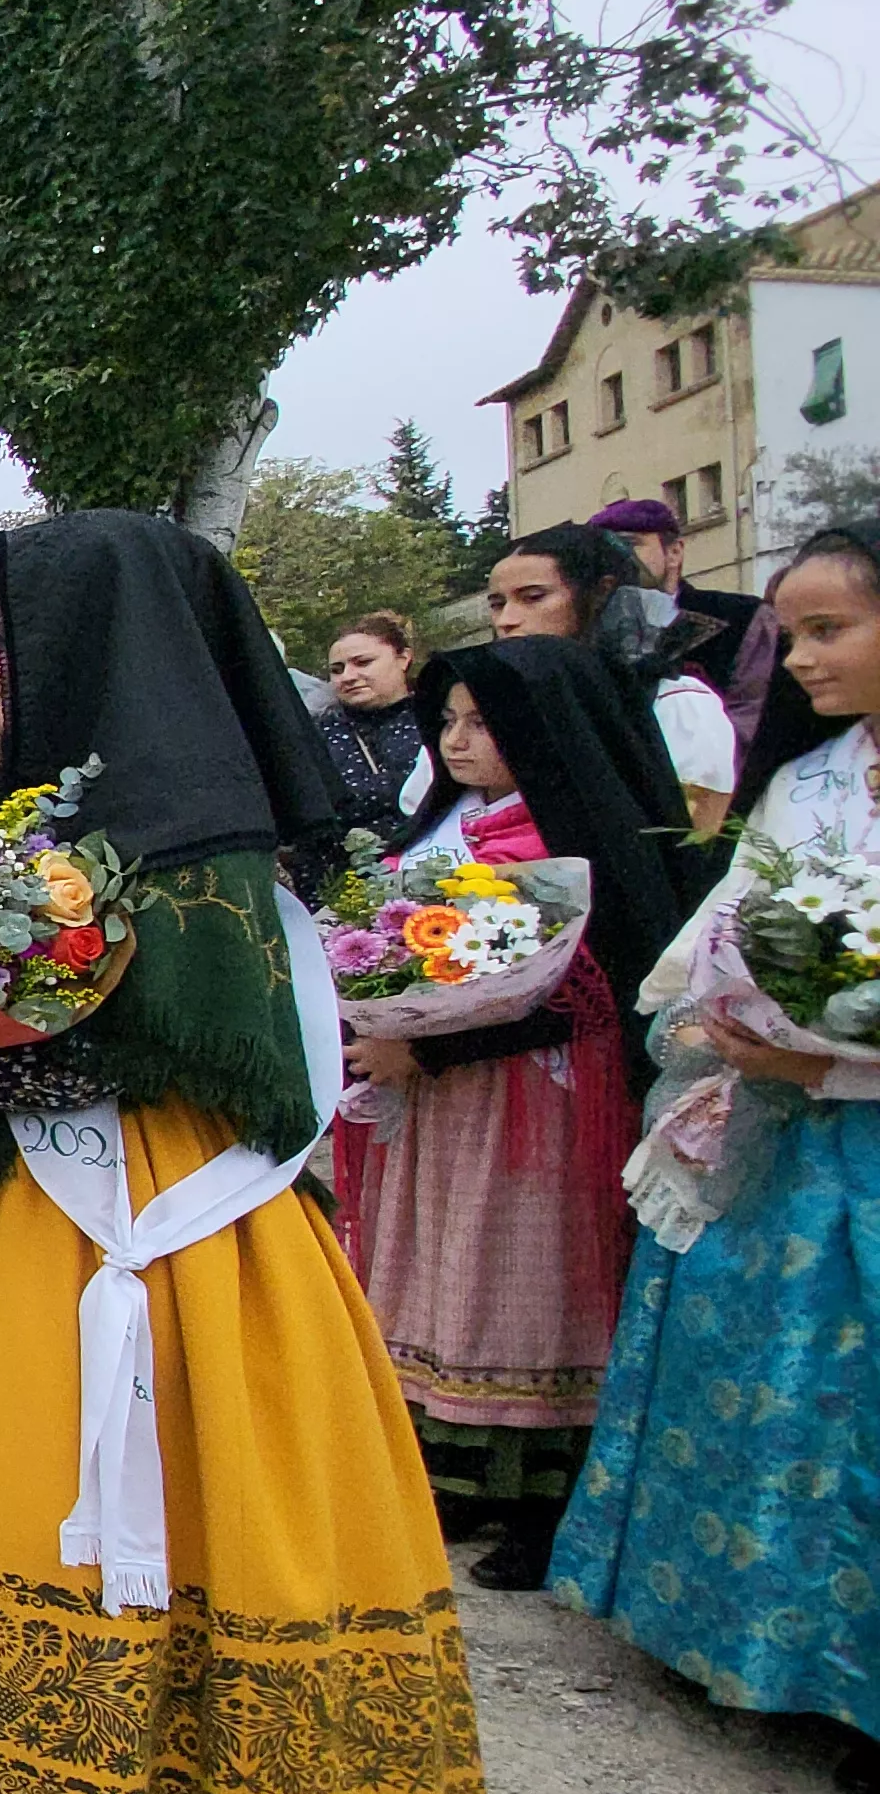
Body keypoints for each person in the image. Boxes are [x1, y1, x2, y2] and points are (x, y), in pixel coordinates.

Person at [0, 510, 494, 1794]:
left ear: (90, 647)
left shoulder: (194, 844)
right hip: (62, 1217)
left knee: (160, 1494)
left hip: (161, 1231)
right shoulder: (50, 829)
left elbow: (177, 1048)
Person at [550, 523, 880, 1794]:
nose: (798, 660)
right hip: (783, 1129)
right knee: (755, 1368)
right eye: (788, 635)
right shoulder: (805, 781)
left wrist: (843, 1059)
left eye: (829, 630)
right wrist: (731, 1018)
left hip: (844, 1119)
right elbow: (732, 919)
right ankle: (736, 1633)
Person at [333, 639, 682, 1591]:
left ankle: (546, 1494)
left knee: (529, 1281)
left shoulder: (576, 835)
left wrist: (434, 1043)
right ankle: (465, 1469)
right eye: (446, 720)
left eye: (481, 722)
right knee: (448, 1271)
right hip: (440, 1096)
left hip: (538, 1096)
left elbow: (599, 988)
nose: (456, 740)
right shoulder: (448, 833)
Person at [485, 520, 740, 835]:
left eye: (533, 597)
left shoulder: (674, 705)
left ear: (600, 593)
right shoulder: (484, 705)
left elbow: (694, 841)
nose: (507, 621)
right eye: (498, 605)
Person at [590, 493, 781, 747]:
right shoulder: (586, 630)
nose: (613, 558)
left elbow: (754, 717)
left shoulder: (740, 618)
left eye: (628, 543)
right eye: (600, 549)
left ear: (674, 552)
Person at [311, 612, 431, 851]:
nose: (348, 677)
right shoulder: (314, 735)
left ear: (403, 658)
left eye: (363, 662)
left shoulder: (441, 719)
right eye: (337, 669)